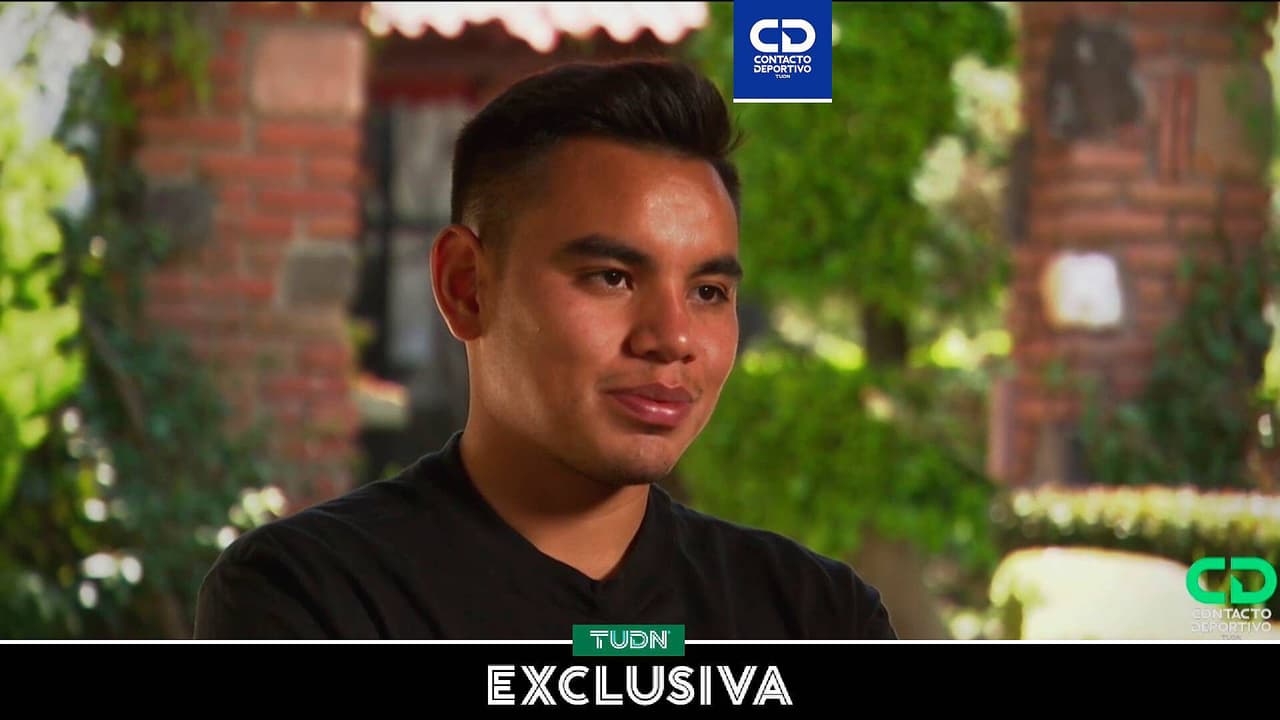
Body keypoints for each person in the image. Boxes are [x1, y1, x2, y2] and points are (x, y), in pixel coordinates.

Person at [193, 59, 897, 640]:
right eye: (612, 277)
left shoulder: (816, 616)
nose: (673, 339)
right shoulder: (311, 596)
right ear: (466, 286)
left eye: (709, 291)